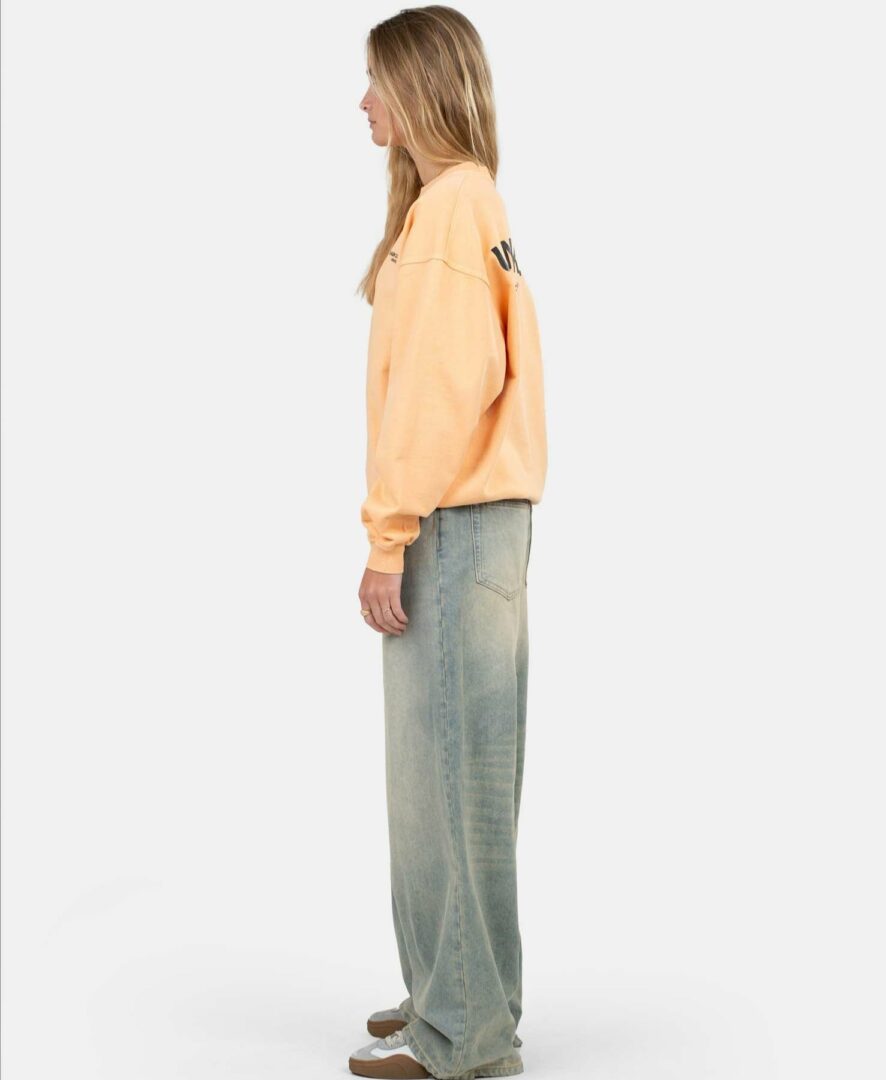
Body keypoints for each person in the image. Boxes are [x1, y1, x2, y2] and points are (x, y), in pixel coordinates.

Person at [349, 7, 548, 1079]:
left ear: (421, 88)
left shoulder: (452, 210)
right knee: (440, 782)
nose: (362, 103)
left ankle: (465, 1034)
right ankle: (451, 992)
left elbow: (439, 389)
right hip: (472, 525)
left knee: (452, 782)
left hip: (452, 526)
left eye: (377, 82)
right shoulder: (459, 205)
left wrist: (389, 537)